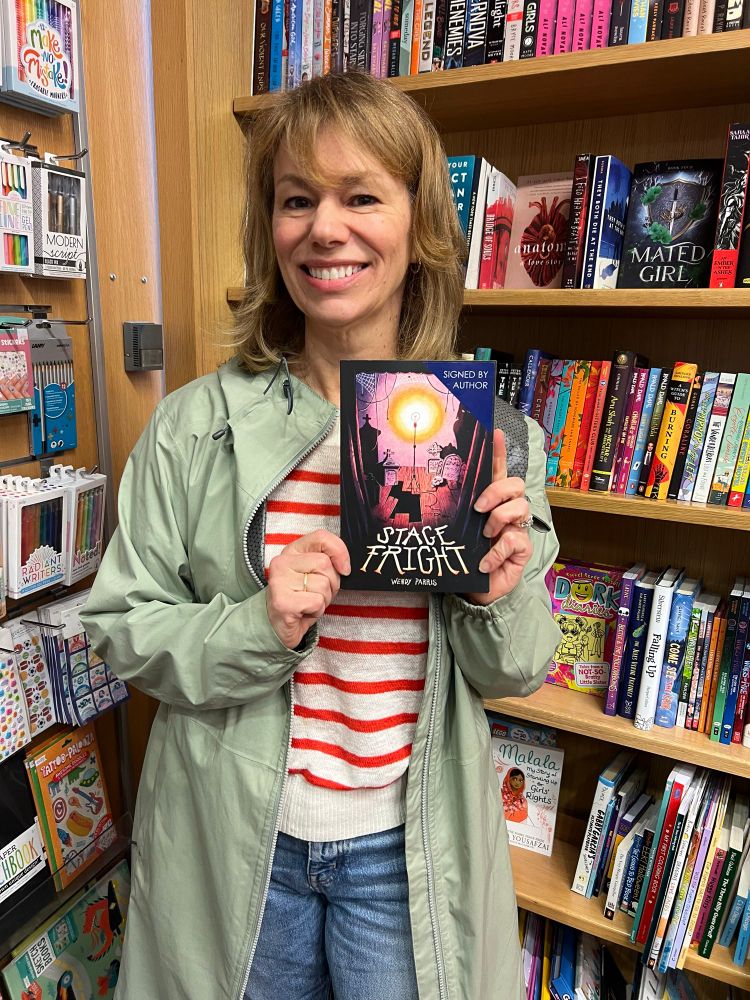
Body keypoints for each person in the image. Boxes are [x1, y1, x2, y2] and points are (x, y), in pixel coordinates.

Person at [81, 71, 561, 1000]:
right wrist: (256, 625)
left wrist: (494, 598)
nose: (324, 229)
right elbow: (122, 629)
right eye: (296, 199)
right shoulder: (195, 427)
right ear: (271, 229)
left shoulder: (491, 435)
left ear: (418, 225)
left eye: (360, 197)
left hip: (405, 849)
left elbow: (517, 671)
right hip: (237, 845)